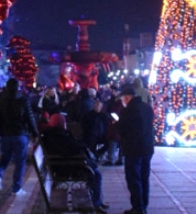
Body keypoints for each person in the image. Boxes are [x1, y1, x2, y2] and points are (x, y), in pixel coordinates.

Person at [42, 113, 109, 213]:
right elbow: (68, 150)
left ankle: (97, 202)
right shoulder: (58, 135)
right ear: (61, 123)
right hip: (67, 167)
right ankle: (96, 203)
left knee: (94, 171)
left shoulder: (52, 134)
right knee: (96, 174)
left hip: (64, 164)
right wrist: (80, 148)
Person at [0, 77, 39, 196]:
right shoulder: (22, 99)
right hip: (20, 134)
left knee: (5, 158)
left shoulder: (1, 100)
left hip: (5, 134)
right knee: (20, 162)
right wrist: (35, 133)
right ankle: (16, 188)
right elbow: (30, 117)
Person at [116, 84, 154, 214]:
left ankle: (138, 207)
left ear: (127, 98)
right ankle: (144, 205)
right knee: (144, 177)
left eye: (122, 99)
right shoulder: (147, 107)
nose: (122, 102)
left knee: (134, 178)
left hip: (133, 148)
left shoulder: (128, 111)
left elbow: (122, 129)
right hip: (147, 148)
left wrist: (116, 124)